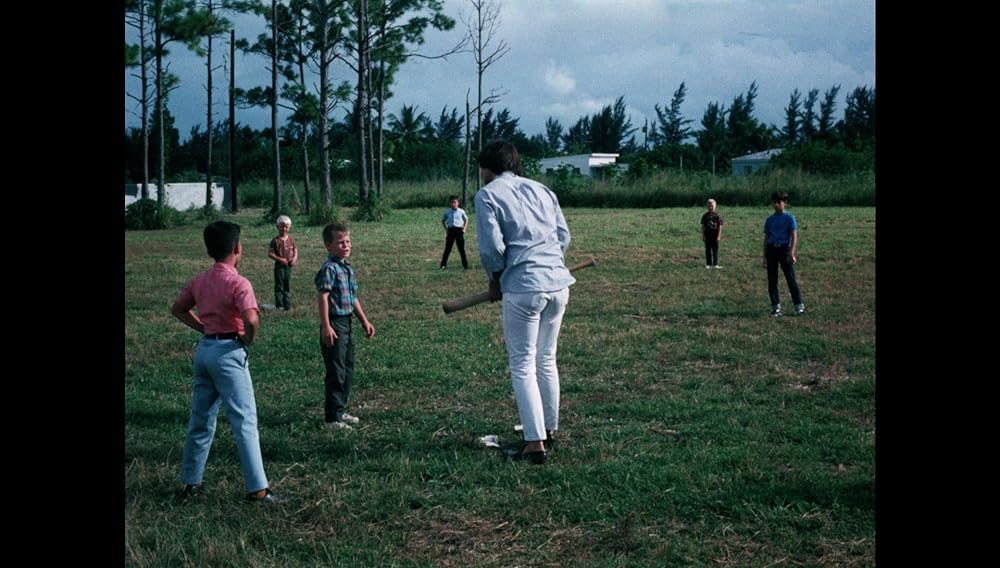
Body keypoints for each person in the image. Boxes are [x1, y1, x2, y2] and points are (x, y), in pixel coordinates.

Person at [475, 140, 576, 465]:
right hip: (558, 285)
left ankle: (534, 444)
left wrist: (496, 279)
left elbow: (492, 248)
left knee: (523, 364)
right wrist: (549, 264)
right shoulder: (543, 190)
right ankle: (549, 430)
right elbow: (563, 237)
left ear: (487, 168)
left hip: (524, 287)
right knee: (546, 359)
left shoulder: (488, 195)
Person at [170, 221, 284, 503]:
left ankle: (191, 482)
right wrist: (248, 338)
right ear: (237, 248)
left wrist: (204, 329)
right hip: (229, 352)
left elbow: (178, 308)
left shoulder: (200, 280)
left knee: (201, 419)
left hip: (206, 350)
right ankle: (258, 488)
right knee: (244, 420)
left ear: (209, 250)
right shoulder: (239, 282)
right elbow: (251, 317)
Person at [315, 222, 376, 430]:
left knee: (348, 367)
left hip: (348, 323)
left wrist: (364, 321)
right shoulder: (329, 269)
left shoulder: (347, 268)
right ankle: (332, 418)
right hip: (335, 323)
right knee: (336, 370)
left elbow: (353, 297)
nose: (346, 245)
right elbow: (323, 298)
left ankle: (341, 410)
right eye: (341, 243)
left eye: (348, 241)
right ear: (329, 246)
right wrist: (326, 326)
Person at [763, 191, 806, 317]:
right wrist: (764, 255)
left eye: (779, 202)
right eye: (774, 202)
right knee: (772, 280)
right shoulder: (769, 220)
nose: (776, 205)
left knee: (790, 278)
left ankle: (799, 306)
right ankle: (776, 308)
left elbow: (794, 236)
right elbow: (766, 238)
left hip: (784, 249)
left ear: (785, 203)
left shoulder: (789, 218)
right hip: (772, 249)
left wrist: (792, 253)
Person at [268, 215, 299, 310]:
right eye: (282, 226)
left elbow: (295, 249)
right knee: (279, 284)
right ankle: (279, 304)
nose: (284, 229)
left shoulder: (291, 240)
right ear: (277, 227)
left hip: (289, 266)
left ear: (289, 227)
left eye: (286, 226)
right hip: (279, 266)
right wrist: (280, 259)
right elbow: (270, 253)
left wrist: (294, 258)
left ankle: (287, 304)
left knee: (287, 284)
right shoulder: (275, 241)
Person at [440, 195, 470, 269]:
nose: (453, 204)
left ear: (458, 203)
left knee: (461, 249)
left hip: (459, 231)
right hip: (451, 230)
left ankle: (465, 265)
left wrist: (464, 229)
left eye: (454, 202)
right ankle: (443, 265)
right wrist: (446, 229)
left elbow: (466, 220)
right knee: (447, 248)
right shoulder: (448, 212)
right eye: (451, 202)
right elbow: (443, 220)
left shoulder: (461, 211)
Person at [701, 198, 724, 269]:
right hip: (707, 235)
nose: (711, 207)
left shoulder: (718, 215)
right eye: (709, 206)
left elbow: (720, 226)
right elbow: (703, 226)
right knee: (708, 249)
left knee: (715, 250)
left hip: (715, 235)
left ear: (715, 206)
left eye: (712, 206)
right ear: (707, 206)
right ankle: (708, 264)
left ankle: (715, 264)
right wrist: (703, 235)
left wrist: (719, 236)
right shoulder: (705, 216)